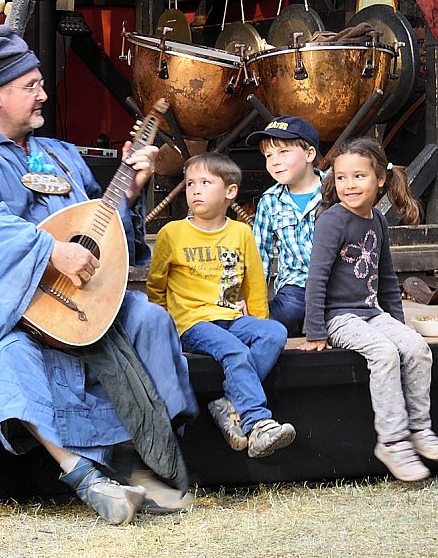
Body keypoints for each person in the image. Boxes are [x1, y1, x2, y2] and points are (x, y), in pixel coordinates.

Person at [0, 24, 198, 526]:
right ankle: (84, 476)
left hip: (82, 297)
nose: (43, 94)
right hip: (11, 305)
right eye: (30, 86)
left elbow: (97, 227)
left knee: (149, 320)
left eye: (40, 83)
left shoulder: (61, 154)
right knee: (11, 356)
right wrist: (49, 251)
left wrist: (130, 193)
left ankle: (147, 462)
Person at [303, 137, 438, 481]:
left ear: (379, 179)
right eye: (342, 177)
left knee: (416, 348)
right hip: (338, 317)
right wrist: (315, 330)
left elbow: (388, 278)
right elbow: (316, 278)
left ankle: (420, 429)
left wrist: (399, 324)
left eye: (358, 176)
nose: (349, 185)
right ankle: (392, 442)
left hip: (370, 313)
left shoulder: (377, 219)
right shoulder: (332, 221)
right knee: (384, 353)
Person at [146, 152, 296, 459]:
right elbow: (156, 285)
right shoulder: (171, 233)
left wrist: (259, 319)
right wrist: (163, 330)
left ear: (230, 191)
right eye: (190, 184)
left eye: (205, 183)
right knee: (235, 351)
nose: (195, 190)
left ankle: (228, 403)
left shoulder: (241, 232)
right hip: (192, 322)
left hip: (230, 317)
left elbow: (255, 284)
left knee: (274, 333)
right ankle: (257, 422)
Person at [247, 116, 323, 336]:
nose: (274, 162)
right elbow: (260, 256)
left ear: (309, 154)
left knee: (345, 311)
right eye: (268, 156)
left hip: (336, 282)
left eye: (283, 152)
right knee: (287, 310)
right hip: (296, 287)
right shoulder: (270, 201)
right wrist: (255, 304)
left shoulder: (334, 191)